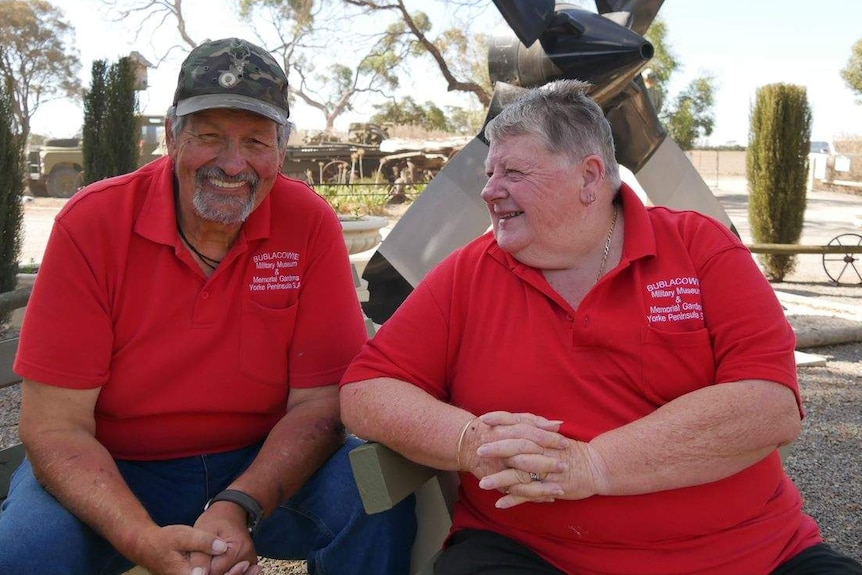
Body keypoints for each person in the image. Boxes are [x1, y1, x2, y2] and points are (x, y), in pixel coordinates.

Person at [339, 79, 862, 575]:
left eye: (513, 174)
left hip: (752, 555)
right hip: (533, 555)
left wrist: (594, 465)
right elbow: (366, 390)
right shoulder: (468, 274)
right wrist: (469, 441)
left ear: (590, 177)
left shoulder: (700, 250)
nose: (490, 191)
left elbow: (770, 406)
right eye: (489, 175)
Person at [0, 37, 414, 575]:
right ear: (172, 135)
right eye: (210, 136)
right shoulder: (92, 223)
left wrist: (240, 503)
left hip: (258, 461)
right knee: (23, 554)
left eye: (256, 141)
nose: (232, 162)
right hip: (114, 465)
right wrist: (139, 537)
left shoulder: (308, 223)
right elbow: (55, 428)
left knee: (373, 496)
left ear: (282, 149)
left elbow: (321, 404)